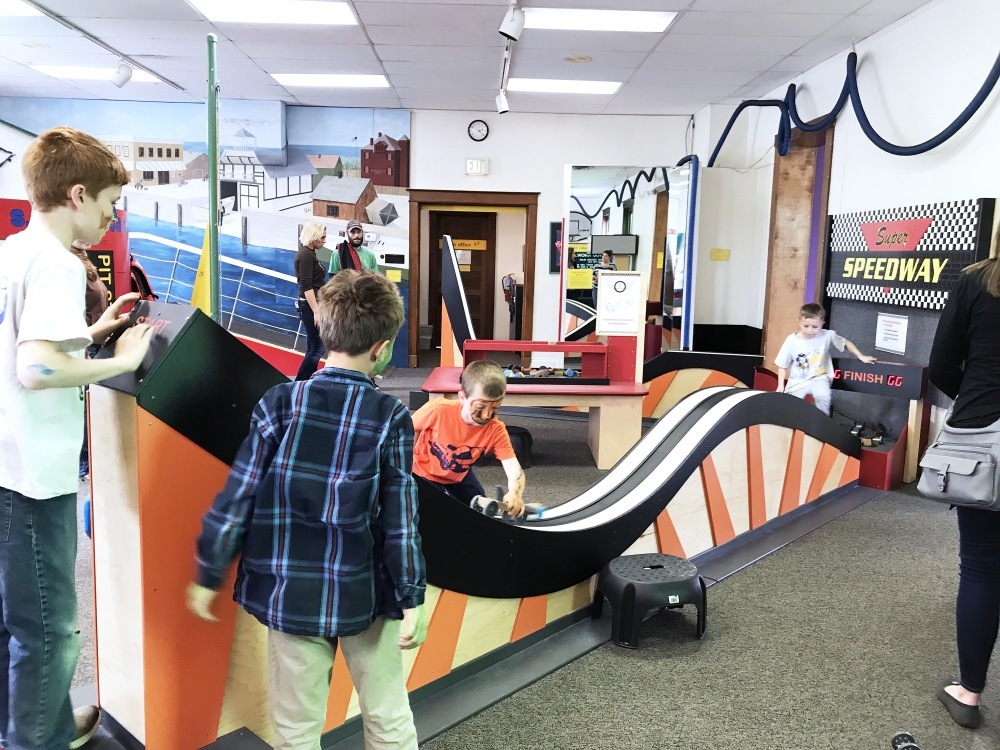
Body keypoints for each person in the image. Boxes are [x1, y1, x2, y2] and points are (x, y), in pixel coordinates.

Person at [187, 270, 428, 750]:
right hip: (364, 590)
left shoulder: (279, 403)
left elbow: (237, 498)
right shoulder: (391, 417)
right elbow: (402, 518)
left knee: (296, 727)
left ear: (321, 328)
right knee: (386, 713)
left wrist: (208, 573)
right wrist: (412, 594)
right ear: (381, 349)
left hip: (288, 588)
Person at [0, 126, 153, 750]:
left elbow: (32, 342)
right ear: (78, 194)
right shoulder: (61, 263)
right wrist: (121, 360)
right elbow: (35, 369)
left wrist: (92, 333)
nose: (111, 215)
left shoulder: (15, 250)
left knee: (15, 622)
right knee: (51, 627)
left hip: (7, 465)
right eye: (110, 203)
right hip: (36, 477)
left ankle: (39, 725)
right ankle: (37, 739)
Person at [928, 255, 1000, 729]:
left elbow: (941, 366)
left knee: (981, 570)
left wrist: (975, 394)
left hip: (984, 438)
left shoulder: (978, 280)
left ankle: (968, 694)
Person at [411, 360, 526, 517]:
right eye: (480, 407)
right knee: (430, 515)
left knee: (482, 512)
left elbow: (513, 468)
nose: (486, 415)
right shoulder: (437, 410)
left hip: (458, 476)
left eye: (495, 408)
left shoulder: (495, 429)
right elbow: (406, 430)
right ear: (462, 398)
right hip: (423, 473)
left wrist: (515, 492)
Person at [773, 302, 875, 415]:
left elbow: (845, 343)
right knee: (789, 406)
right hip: (798, 381)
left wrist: (861, 356)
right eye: (806, 326)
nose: (810, 330)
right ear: (799, 321)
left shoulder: (828, 336)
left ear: (822, 323)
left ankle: (821, 423)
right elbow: (782, 365)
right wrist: (780, 385)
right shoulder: (791, 341)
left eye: (815, 327)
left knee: (822, 395)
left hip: (819, 377)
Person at [69, 239, 110, 477]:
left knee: (90, 406)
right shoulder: (71, 262)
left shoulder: (84, 260)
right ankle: (84, 462)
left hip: (97, 342)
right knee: (84, 408)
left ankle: (87, 460)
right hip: (87, 344)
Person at [293, 222, 328, 381]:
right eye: (322, 237)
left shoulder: (309, 254)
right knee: (317, 349)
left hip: (311, 304)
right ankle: (300, 382)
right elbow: (306, 286)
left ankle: (305, 382)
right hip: (309, 306)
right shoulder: (306, 255)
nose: (324, 241)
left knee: (312, 348)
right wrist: (316, 311)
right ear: (314, 236)